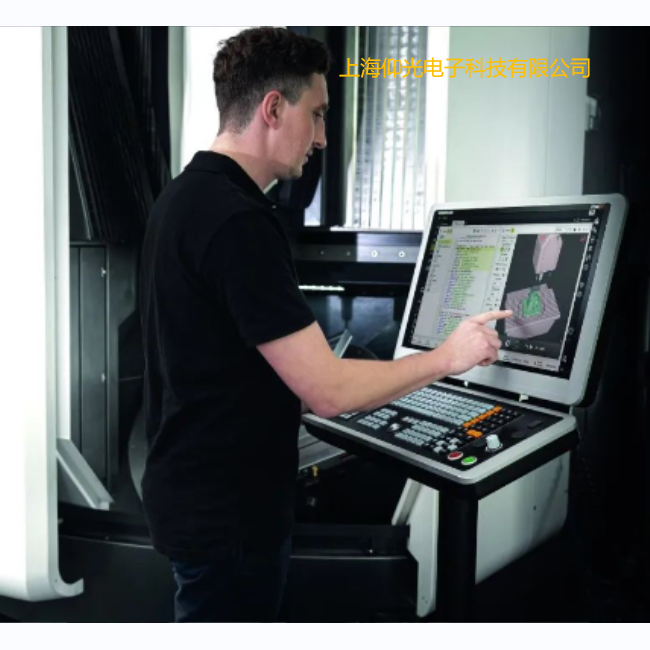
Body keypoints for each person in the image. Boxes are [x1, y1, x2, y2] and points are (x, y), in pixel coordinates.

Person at [139, 26, 510, 623]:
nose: (322, 137)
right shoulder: (239, 222)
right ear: (272, 108)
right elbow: (329, 392)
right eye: (316, 114)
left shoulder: (184, 197)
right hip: (228, 516)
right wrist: (450, 356)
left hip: (191, 494)